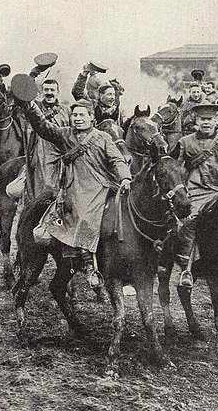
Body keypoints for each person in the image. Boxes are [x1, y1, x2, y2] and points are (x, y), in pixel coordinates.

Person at [18, 98, 132, 289]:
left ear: (91, 117)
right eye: (75, 115)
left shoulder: (103, 137)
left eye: (82, 115)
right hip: (76, 186)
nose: (78, 118)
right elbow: (42, 126)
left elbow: (116, 160)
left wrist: (125, 177)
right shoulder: (65, 135)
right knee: (83, 211)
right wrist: (30, 105)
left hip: (102, 185)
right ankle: (88, 264)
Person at [170, 103, 218, 289]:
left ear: (216, 121)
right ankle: (186, 269)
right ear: (196, 121)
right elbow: (176, 169)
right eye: (202, 119)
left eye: (210, 119)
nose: (206, 122)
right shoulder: (185, 142)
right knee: (190, 221)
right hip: (196, 191)